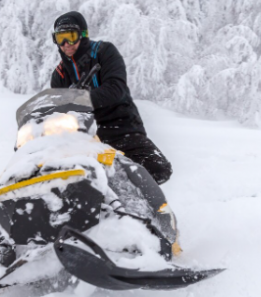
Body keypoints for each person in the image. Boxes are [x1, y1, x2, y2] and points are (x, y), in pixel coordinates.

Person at [49, 11, 173, 185]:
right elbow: (58, 108)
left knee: (159, 168)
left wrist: (80, 99)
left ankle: (130, 194)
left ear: (83, 35)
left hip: (121, 129)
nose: (66, 44)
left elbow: (116, 88)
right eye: (60, 38)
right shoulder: (60, 75)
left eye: (71, 36)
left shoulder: (103, 52)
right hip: (84, 137)